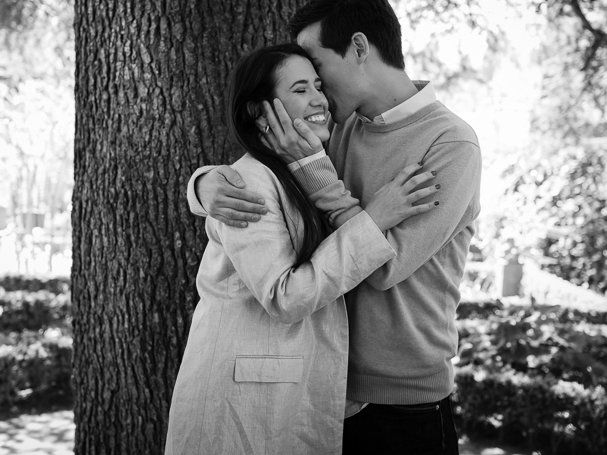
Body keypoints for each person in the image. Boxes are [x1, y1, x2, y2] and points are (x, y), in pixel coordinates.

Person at [189, 0, 482, 454]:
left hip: (405, 405)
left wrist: (325, 182)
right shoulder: (339, 131)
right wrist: (203, 186)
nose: (319, 93)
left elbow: (384, 268)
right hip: (324, 389)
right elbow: (272, 186)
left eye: (319, 71)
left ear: (359, 48)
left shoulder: (450, 144)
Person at [165, 43, 439, 455]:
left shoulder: (308, 166)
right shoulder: (249, 183)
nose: (319, 99)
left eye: (318, 85)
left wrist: (198, 185)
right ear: (260, 112)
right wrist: (375, 219)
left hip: (288, 394)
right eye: (299, 89)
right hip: (241, 400)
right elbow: (285, 297)